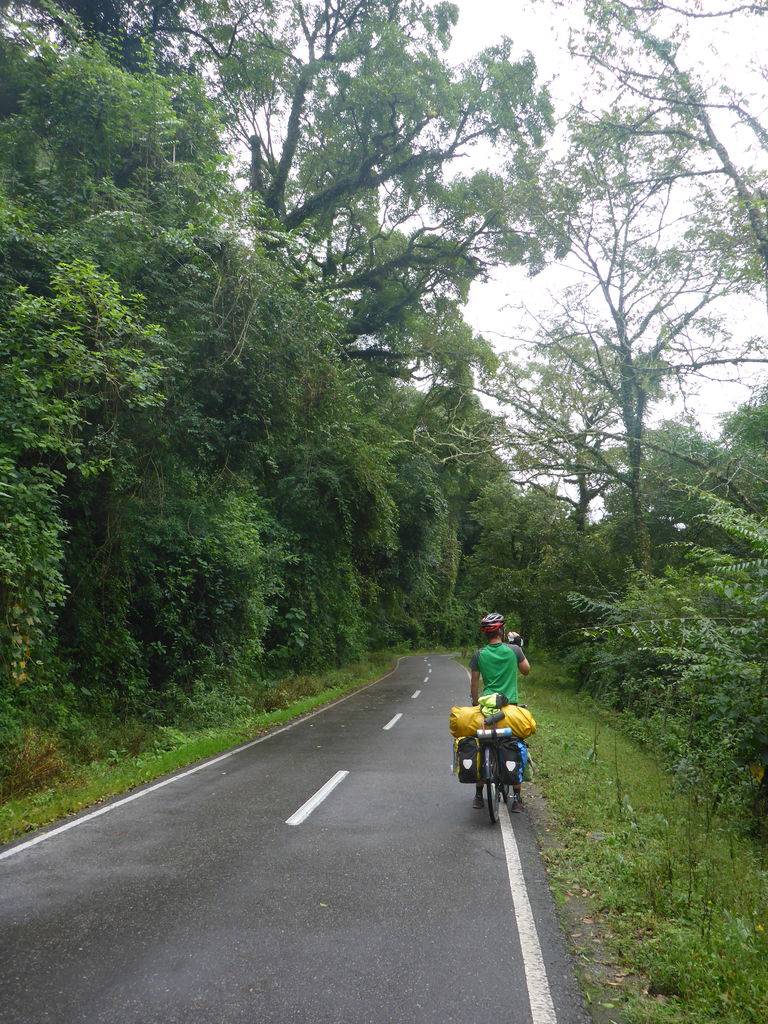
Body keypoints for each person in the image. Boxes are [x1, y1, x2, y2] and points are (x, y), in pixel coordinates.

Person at [470, 612, 530, 812]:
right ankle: (518, 799)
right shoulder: (513, 650)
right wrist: (519, 646)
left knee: (480, 742)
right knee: (516, 743)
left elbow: (474, 684)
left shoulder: (479, 655)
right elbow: (526, 670)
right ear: (502, 631)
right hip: (510, 708)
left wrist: (474, 703)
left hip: (487, 708)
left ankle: (479, 795)